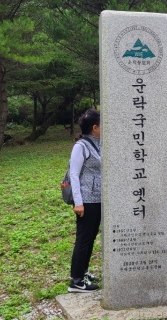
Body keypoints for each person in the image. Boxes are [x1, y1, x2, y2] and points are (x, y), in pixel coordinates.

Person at [67, 109, 102, 293]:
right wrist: (78, 202)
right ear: (95, 127)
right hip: (86, 200)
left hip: (99, 199)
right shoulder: (81, 146)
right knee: (84, 238)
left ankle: (84, 272)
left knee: (91, 236)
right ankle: (76, 281)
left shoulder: (99, 142)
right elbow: (74, 174)